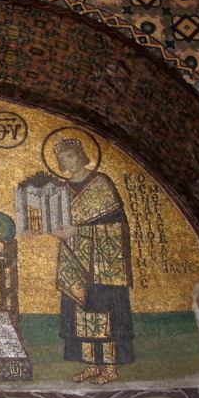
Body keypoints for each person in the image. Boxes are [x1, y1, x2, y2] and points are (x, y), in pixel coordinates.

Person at [52, 135, 134, 384]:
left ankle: (109, 366)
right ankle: (90, 364)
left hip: (104, 263)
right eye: (63, 158)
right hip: (75, 259)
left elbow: (119, 226)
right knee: (81, 312)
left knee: (104, 312)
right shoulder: (61, 190)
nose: (69, 161)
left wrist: (81, 231)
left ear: (81, 156)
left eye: (71, 155)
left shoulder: (101, 183)